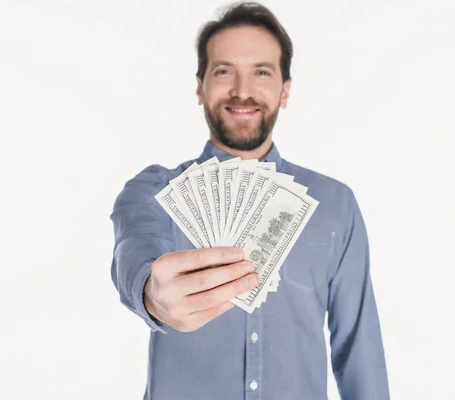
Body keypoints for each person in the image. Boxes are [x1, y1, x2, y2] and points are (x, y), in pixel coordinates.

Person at [110, 2, 390, 399]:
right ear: (200, 86)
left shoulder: (336, 204)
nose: (242, 90)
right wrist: (151, 294)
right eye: (224, 71)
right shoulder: (155, 191)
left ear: (285, 89)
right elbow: (133, 251)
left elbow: (359, 349)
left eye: (261, 71)